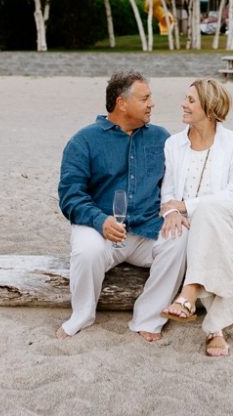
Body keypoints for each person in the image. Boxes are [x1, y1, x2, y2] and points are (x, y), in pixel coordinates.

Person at [57, 71, 188, 342]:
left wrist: (174, 210)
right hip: (100, 228)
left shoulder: (161, 138)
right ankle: (82, 314)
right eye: (145, 98)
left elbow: (175, 184)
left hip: (146, 229)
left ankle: (148, 317)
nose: (152, 104)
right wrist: (99, 220)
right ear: (122, 103)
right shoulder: (83, 141)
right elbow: (70, 195)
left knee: (180, 239)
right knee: (87, 251)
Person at [159, 78, 233, 357]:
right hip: (196, 224)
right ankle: (215, 330)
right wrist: (172, 212)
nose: (183, 104)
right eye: (185, 98)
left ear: (210, 109)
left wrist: (186, 205)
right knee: (205, 230)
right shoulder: (173, 144)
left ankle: (189, 293)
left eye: (191, 100)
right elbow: (168, 193)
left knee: (208, 216)